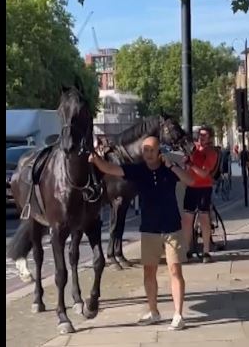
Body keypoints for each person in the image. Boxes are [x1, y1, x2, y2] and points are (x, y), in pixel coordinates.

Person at [89, 136, 194, 330]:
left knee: (175, 271)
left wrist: (172, 166)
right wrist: (96, 159)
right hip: (149, 229)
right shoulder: (138, 170)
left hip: (172, 228)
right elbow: (111, 169)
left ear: (158, 151)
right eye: (145, 150)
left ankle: (178, 315)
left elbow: (191, 180)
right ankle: (153, 311)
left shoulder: (169, 170)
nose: (148, 154)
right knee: (149, 272)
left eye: (151, 150)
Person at [182, 125, 219, 263]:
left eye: (204, 135)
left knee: (204, 218)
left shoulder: (211, 152)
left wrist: (190, 164)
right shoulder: (193, 149)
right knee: (187, 219)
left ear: (210, 138)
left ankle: (206, 251)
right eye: (200, 135)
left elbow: (204, 173)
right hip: (191, 186)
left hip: (204, 187)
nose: (201, 137)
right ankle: (186, 250)